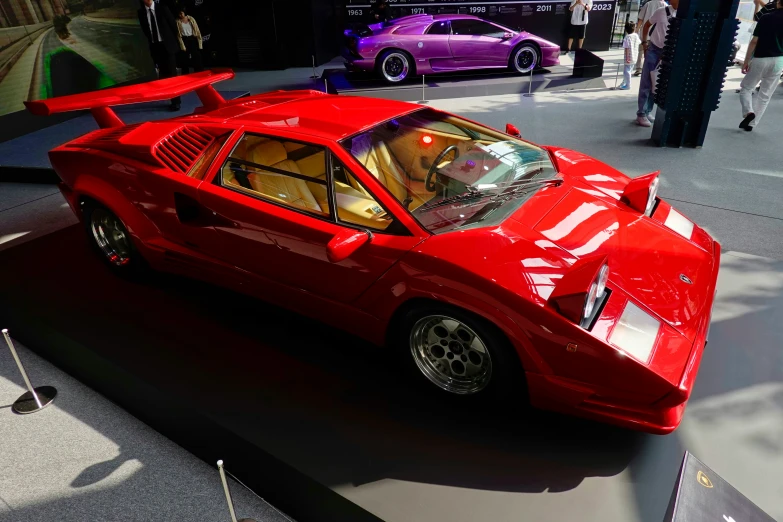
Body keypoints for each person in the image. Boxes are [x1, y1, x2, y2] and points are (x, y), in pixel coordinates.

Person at [739, 0, 783, 131]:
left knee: (746, 88)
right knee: (765, 95)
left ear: (779, 3)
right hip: (779, 60)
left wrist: (746, 61)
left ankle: (748, 112)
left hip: (760, 58)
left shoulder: (766, 17)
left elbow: (754, 41)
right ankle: (752, 124)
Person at [635, 0, 678, 127]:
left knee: (657, 84)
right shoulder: (661, 11)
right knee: (647, 82)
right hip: (655, 50)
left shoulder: (682, 14)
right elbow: (647, 24)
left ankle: (647, 111)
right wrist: (645, 42)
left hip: (669, 52)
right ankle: (641, 113)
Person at [138, 0, 181, 111]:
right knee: (163, 75)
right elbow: (146, 31)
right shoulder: (141, 12)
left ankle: (176, 102)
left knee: (172, 74)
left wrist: (171, 42)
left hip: (168, 46)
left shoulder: (163, 8)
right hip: (156, 47)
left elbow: (173, 26)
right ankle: (169, 97)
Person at [634, 0, 667, 75]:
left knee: (641, 52)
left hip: (645, 33)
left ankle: (639, 68)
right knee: (654, 54)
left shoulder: (648, 4)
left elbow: (641, 19)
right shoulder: (665, 5)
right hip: (657, 35)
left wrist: (636, 30)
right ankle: (652, 70)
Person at [176, 9, 203, 74]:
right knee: (184, 59)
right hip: (184, 40)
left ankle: (199, 73)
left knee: (197, 57)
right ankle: (185, 75)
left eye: (181, 13)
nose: (180, 15)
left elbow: (197, 30)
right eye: (179, 14)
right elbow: (178, 35)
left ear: (184, 12)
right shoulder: (177, 21)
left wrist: (200, 44)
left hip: (192, 39)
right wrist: (182, 46)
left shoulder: (191, 19)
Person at [620, 22, 641, 90]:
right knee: (629, 70)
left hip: (629, 57)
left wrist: (627, 57)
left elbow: (626, 48)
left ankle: (628, 85)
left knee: (627, 71)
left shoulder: (627, 37)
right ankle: (624, 82)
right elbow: (639, 42)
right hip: (635, 55)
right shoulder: (636, 35)